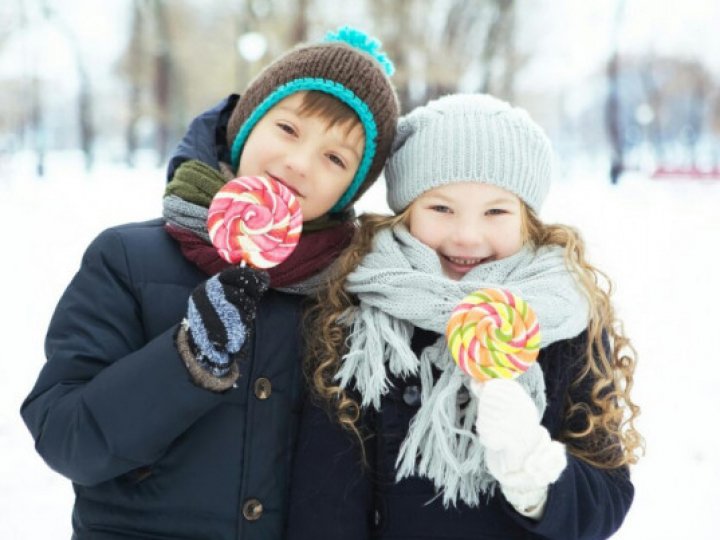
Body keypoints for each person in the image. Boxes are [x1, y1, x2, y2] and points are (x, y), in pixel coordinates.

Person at [20, 27, 399, 540]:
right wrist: (186, 360)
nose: (299, 163)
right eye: (288, 129)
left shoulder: (347, 299)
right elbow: (66, 438)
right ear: (246, 125)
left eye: (336, 159)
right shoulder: (126, 259)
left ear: (349, 190)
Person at [287, 94, 643, 539]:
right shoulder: (360, 315)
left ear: (527, 219)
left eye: (496, 211)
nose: (467, 236)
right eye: (441, 208)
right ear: (406, 210)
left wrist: (532, 472)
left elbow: (607, 497)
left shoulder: (567, 318)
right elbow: (324, 503)